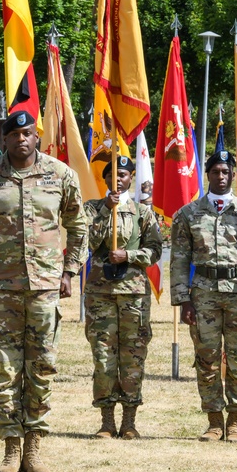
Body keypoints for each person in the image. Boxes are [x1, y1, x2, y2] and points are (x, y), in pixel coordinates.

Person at [0, 111, 87, 472]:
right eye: (15, 134)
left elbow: (79, 225)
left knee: (42, 366)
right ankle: (11, 448)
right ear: (5, 139)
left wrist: (70, 271)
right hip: (2, 288)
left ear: (37, 136)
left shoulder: (60, 175)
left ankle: (34, 447)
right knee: (5, 368)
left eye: (28, 133)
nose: (22, 140)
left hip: (45, 288)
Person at [169, 150, 237, 444]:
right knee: (207, 360)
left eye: (226, 172)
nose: (221, 177)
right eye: (216, 172)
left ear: (233, 176)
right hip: (203, 295)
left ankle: (235, 422)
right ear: (208, 175)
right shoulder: (188, 214)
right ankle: (214, 422)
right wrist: (183, 300)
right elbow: (179, 260)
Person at [83, 156, 162, 440]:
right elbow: (86, 242)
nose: (118, 179)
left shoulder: (143, 212)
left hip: (133, 294)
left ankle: (129, 421)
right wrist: (107, 209)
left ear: (131, 179)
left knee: (133, 357)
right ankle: (106, 421)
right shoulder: (92, 208)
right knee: (103, 357)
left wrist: (128, 255)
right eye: (112, 175)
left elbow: (154, 250)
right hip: (101, 294)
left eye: (124, 175)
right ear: (105, 179)